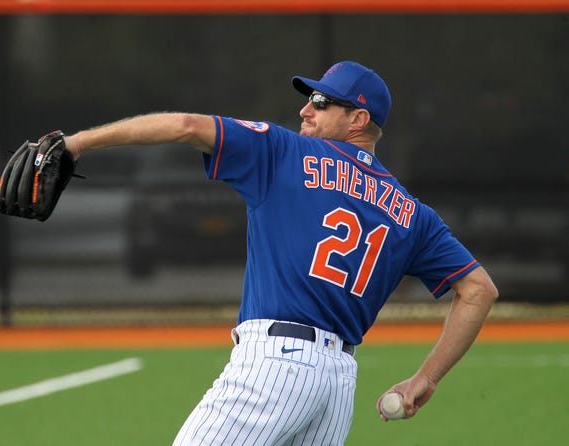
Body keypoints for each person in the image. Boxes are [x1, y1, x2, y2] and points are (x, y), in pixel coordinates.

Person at [63, 61, 498, 445]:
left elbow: (187, 127)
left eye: (322, 102)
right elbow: (479, 290)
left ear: (358, 118)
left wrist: (76, 144)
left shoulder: (286, 151)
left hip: (276, 365)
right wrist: (427, 378)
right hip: (336, 386)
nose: (306, 109)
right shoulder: (411, 212)